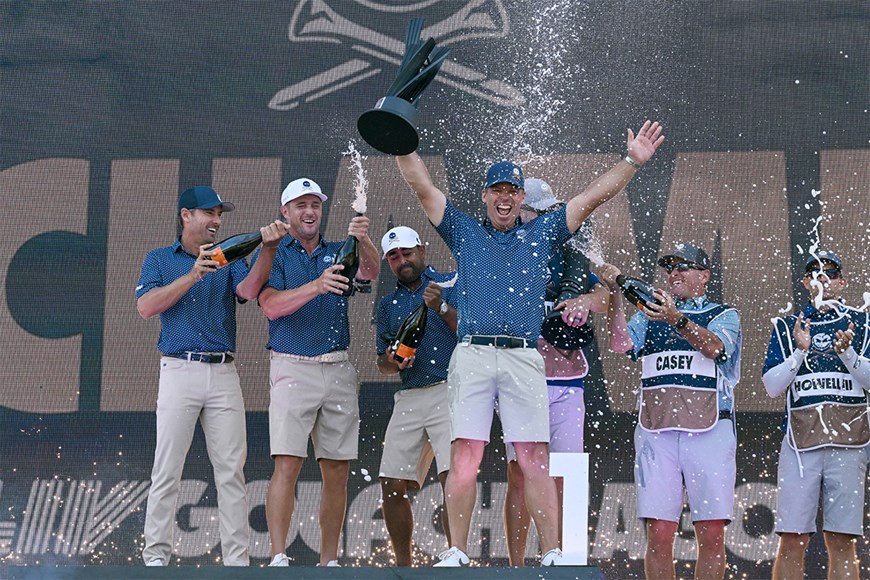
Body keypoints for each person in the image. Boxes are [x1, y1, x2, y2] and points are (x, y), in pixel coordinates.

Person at [395, 120, 664, 567]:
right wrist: (402, 146)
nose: (505, 198)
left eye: (512, 191)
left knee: (534, 456)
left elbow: (592, 197)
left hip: (523, 354)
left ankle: (553, 552)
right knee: (465, 454)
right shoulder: (464, 230)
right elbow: (422, 187)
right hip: (474, 352)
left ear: (522, 199)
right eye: (497, 190)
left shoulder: (544, 232)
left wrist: (632, 162)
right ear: (485, 195)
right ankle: (456, 550)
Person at [137, 185, 289, 567]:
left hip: (223, 372)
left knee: (231, 472)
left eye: (220, 215)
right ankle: (155, 559)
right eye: (209, 213)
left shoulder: (228, 256)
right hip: (178, 369)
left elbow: (248, 290)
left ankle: (237, 563)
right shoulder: (159, 259)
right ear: (186, 216)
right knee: (167, 468)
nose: (217, 221)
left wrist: (268, 249)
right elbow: (146, 307)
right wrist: (192, 275)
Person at [503, 179, 632, 565]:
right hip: (521, 381)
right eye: (538, 213)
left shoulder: (567, 253)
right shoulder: (503, 252)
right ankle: (515, 567)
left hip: (566, 382)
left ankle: (564, 559)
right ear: (522, 213)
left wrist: (582, 300)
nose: (545, 220)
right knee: (519, 473)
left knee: (566, 471)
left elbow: (604, 297)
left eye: (549, 213)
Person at [258, 177, 380, 567]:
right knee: (287, 463)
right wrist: (316, 286)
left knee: (338, 470)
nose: (310, 212)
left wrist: (364, 239)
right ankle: (278, 556)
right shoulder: (275, 253)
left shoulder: (337, 250)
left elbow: (371, 273)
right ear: (285, 211)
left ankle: (329, 562)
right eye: (301, 205)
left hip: (338, 366)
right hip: (292, 366)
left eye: (315, 205)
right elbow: (270, 306)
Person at [603, 243, 741, 580]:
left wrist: (676, 319)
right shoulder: (648, 316)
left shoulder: (724, 314)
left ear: (704, 275)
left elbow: (714, 347)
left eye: (683, 266)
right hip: (657, 432)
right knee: (659, 534)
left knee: (711, 533)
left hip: (710, 432)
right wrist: (614, 297)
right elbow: (620, 344)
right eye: (670, 268)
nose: (674, 273)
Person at [762, 250, 870, 580]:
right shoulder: (787, 325)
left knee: (842, 540)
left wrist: (848, 354)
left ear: (842, 282)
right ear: (805, 282)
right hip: (800, 446)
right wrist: (800, 351)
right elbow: (772, 386)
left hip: (849, 445)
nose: (822, 277)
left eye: (830, 272)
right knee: (792, 539)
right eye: (814, 272)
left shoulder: (863, 322)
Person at [375, 226, 458, 566]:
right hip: (409, 394)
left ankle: (456, 558)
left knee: (453, 477)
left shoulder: (450, 283)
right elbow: (382, 362)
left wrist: (441, 307)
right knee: (391, 482)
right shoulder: (388, 304)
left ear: (422, 250)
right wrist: (392, 361)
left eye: (407, 253)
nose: (402, 261)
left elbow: (469, 330)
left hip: (450, 388)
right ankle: (404, 567)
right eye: (394, 257)